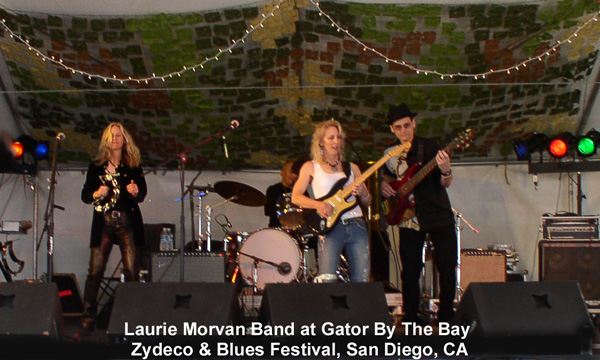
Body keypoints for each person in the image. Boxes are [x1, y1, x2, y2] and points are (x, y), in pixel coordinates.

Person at [380, 103, 457, 324]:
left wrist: (446, 170)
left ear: (414, 123)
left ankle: (446, 318)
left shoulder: (430, 146)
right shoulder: (389, 153)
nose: (404, 131)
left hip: (437, 213)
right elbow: (388, 177)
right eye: (398, 127)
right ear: (392, 130)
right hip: (408, 218)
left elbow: (446, 182)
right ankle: (411, 318)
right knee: (410, 271)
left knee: (447, 266)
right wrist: (385, 185)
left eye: (407, 125)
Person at [80, 122, 147, 334]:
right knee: (96, 270)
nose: (115, 139)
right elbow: (85, 195)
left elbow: (143, 193)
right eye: (112, 136)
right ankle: (88, 317)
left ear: (125, 139)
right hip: (104, 222)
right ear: (106, 140)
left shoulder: (133, 165)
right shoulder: (96, 166)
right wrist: (96, 193)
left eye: (119, 135)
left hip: (127, 221)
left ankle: (133, 317)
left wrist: (135, 191)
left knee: (131, 270)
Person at [292, 119, 372, 282]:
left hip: (356, 224)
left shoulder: (352, 168)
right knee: (327, 278)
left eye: (338, 137)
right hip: (330, 228)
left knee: (361, 279)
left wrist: (363, 192)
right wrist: (318, 205)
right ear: (320, 142)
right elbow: (296, 197)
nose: (336, 141)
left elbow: (368, 201)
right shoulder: (311, 166)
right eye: (331, 138)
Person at [264, 161, 297, 228]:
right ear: (282, 173)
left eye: (295, 173)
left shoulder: (301, 191)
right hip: (278, 227)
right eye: (290, 172)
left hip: (297, 228)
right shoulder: (273, 190)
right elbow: (268, 211)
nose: (293, 175)